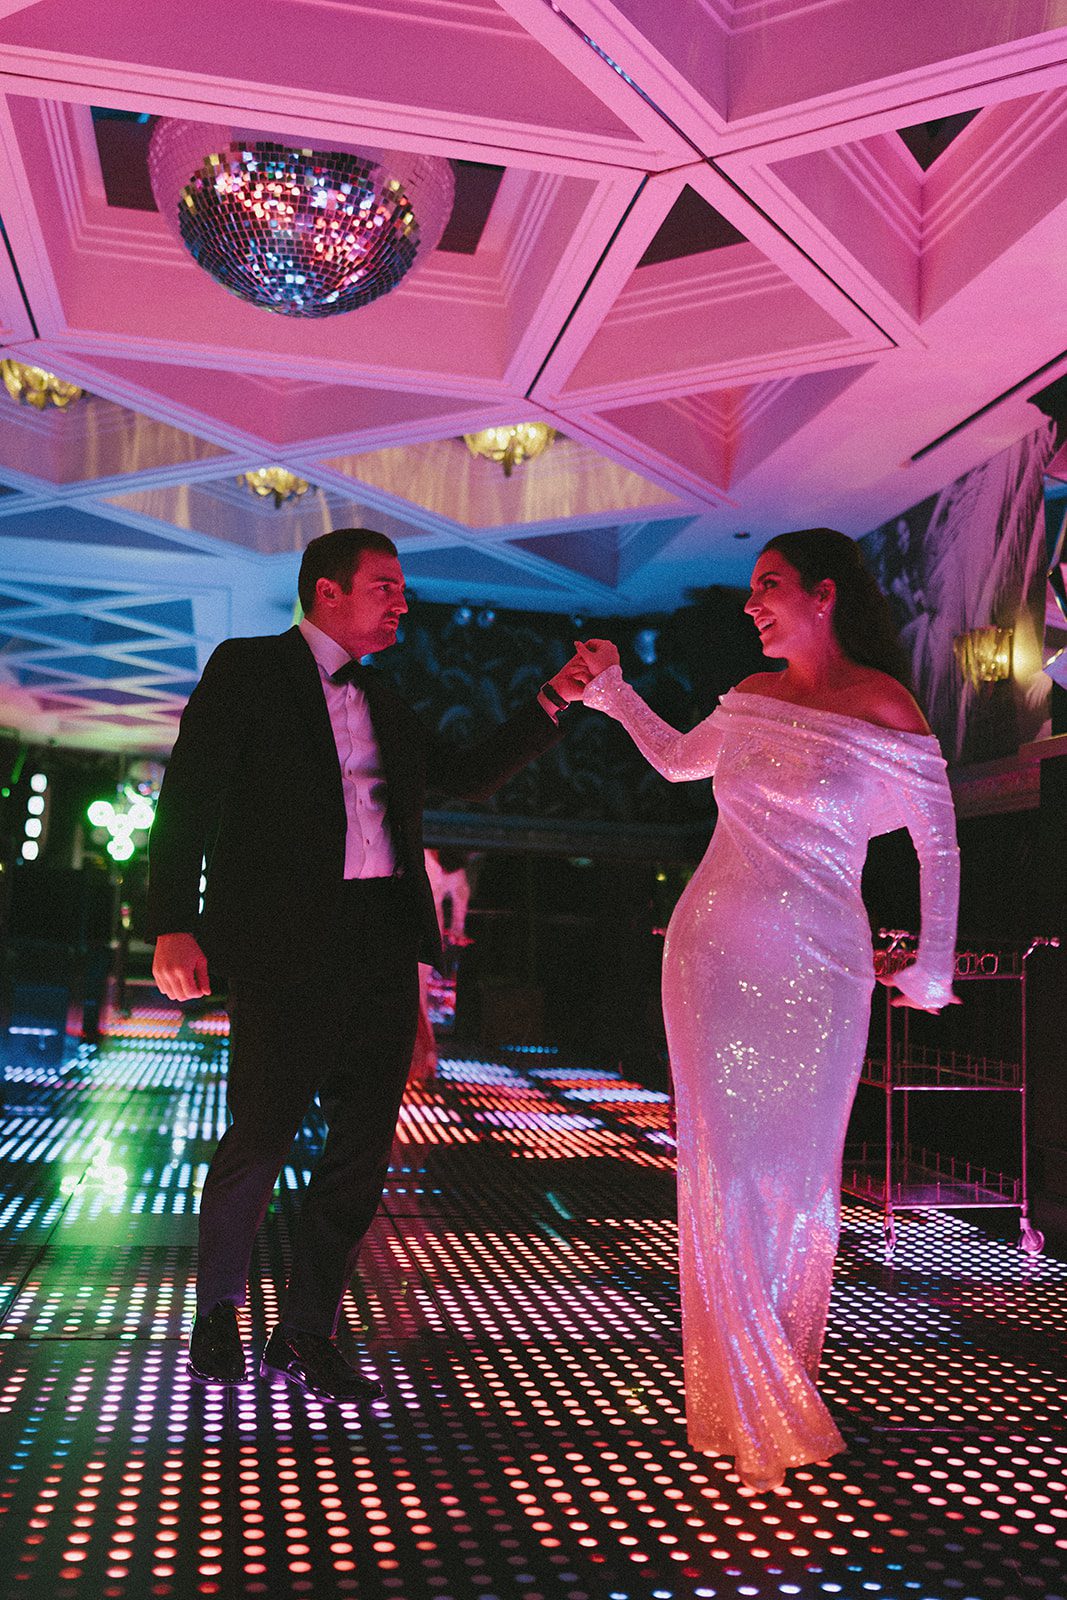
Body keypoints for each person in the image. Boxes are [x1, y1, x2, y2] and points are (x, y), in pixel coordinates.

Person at [148, 528, 587, 1401]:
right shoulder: (247, 668)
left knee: (359, 1153)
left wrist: (554, 699)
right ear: (326, 591)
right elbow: (189, 793)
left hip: (381, 942)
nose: (401, 600)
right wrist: (171, 923)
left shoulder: (387, 697)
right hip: (281, 943)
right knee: (259, 1139)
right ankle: (217, 1314)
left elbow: (462, 774)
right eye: (384, 585)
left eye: (400, 586)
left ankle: (306, 1331)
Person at [576, 528, 959, 1489]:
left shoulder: (885, 705)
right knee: (721, 1168)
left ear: (823, 595)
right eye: (753, 588)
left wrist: (932, 966)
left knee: (797, 1179)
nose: (752, 603)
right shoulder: (747, 701)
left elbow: (937, 851)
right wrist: (613, 692)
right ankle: (740, 1401)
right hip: (708, 952)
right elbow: (672, 763)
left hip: (823, 968)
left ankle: (775, 1379)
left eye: (769, 586)